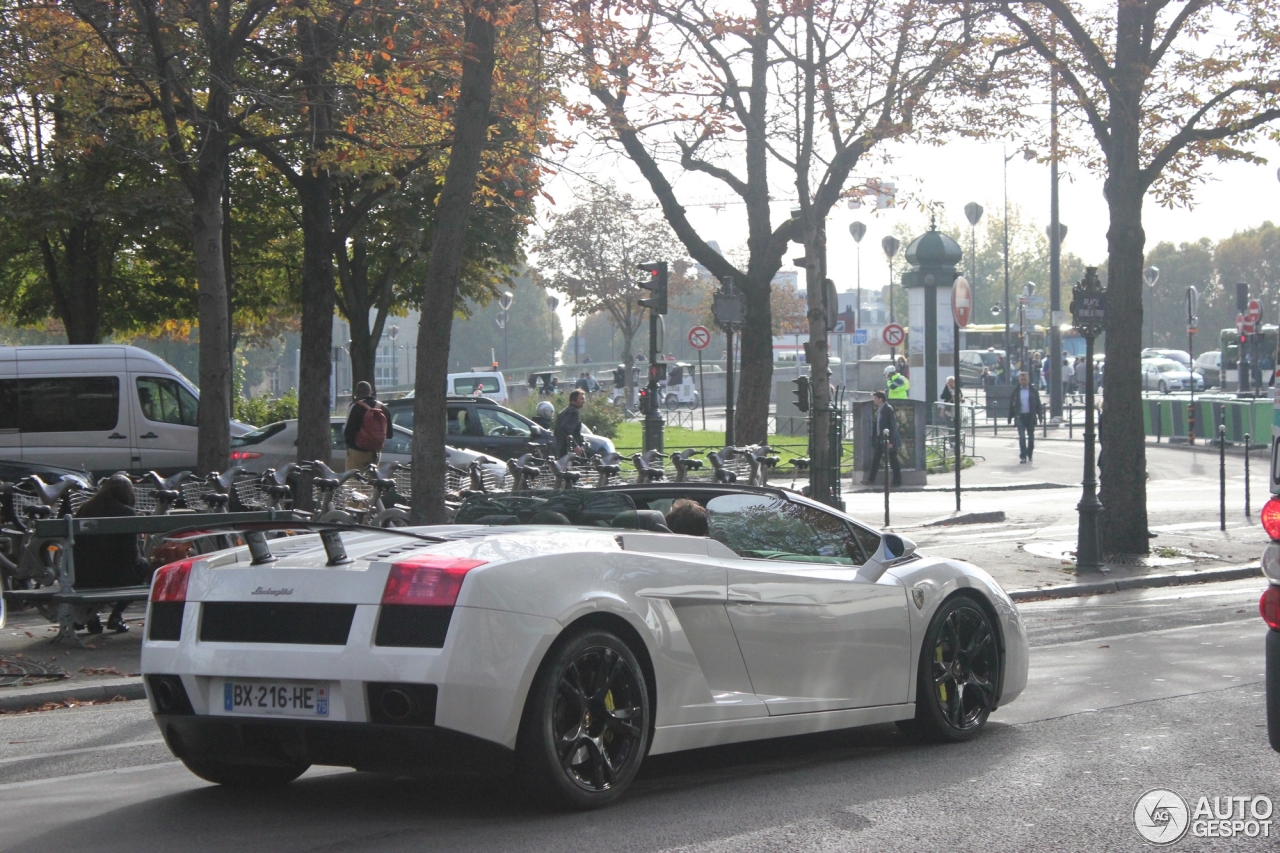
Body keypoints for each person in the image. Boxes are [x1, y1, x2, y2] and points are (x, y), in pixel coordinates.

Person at [74, 474, 150, 634]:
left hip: (82, 576)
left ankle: (92, 617)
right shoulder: (127, 513)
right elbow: (131, 555)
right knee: (144, 567)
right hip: (115, 577)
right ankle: (116, 615)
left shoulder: (84, 509)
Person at [343, 380, 393, 471]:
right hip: (375, 452)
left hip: (356, 450)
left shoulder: (355, 406)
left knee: (354, 482)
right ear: (371, 392)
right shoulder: (384, 408)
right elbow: (389, 434)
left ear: (356, 393)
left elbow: (348, 431)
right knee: (372, 481)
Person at [863, 390, 902, 486]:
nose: (874, 400)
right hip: (881, 439)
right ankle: (871, 480)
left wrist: (891, 441)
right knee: (876, 459)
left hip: (887, 439)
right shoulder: (880, 409)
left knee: (893, 460)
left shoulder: (887, 409)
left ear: (881, 399)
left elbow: (892, 426)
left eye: (875, 398)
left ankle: (897, 481)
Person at [1007, 371, 1044, 463]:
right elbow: (1011, 405)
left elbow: (1038, 405)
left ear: (1028, 380)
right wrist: (1010, 418)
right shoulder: (1016, 391)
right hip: (1020, 417)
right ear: (1019, 380)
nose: (1023, 381)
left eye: (1025, 379)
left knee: (1031, 438)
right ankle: (1023, 456)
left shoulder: (1033, 391)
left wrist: (1040, 416)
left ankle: (1029, 454)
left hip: (1030, 416)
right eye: (1021, 379)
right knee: (1022, 437)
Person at [554, 389, 586, 457]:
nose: (584, 401)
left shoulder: (563, 412)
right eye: (582, 399)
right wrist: (575, 446)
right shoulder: (574, 412)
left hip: (560, 449)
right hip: (570, 451)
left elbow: (556, 432)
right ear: (574, 399)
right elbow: (565, 428)